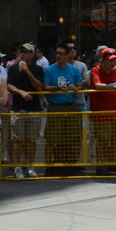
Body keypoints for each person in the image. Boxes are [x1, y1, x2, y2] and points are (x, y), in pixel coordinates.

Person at [5, 44, 44, 178]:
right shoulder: (13, 69)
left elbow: (39, 87)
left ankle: (30, 166)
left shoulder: (38, 69)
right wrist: (20, 92)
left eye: (26, 52)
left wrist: (27, 71)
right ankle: (17, 167)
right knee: (18, 140)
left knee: (31, 140)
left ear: (32, 54)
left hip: (34, 109)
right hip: (18, 109)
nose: (22, 54)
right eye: (21, 51)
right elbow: (9, 85)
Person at [43, 44, 84, 172]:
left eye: (61, 54)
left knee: (74, 137)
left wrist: (75, 88)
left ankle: (74, 164)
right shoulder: (49, 70)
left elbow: (79, 85)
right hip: (55, 106)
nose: (58, 56)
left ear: (67, 55)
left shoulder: (75, 70)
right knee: (51, 137)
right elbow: (46, 87)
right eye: (57, 53)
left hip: (71, 105)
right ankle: (48, 166)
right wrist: (57, 88)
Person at [87, 48, 116, 173]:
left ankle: (112, 163)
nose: (112, 63)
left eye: (114, 60)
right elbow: (98, 86)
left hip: (115, 111)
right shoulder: (95, 70)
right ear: (102, 60)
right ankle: (101, 165)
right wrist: (115, 86)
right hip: (101, 112)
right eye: (110, 60)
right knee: (102, 139)